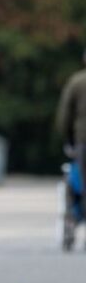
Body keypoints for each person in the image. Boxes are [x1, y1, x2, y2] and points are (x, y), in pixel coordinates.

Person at [56, 47, 86, 240]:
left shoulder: (77, 82)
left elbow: (65, 114)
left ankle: (75, 216)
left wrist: (68, 138)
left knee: (80, 181)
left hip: (83, 139)